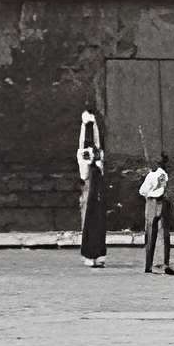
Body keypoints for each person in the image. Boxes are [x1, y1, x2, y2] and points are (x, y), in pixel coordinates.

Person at [76, 109, 106, 266]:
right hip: (89, 194)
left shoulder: (97, 154)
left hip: (96, 193)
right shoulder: (84, 156)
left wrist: (93, 125)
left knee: (98, 222)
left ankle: (98, 254)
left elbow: (97, 144)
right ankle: (89, 254)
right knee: (89, 222)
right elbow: (84, 175)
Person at [138, 153, 174, 275]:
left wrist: (149, 193)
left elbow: (142, 191)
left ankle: (148, 264)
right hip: (161, 202)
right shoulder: (163, 175)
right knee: (163, 233)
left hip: (150, 203)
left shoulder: (150, 175)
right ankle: (163, 264)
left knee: (149, 233)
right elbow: (163, 189)